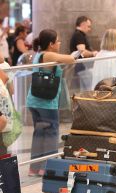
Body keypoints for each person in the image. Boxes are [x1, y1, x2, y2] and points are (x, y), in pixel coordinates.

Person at [26, 29, 75, 176]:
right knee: (51, 133)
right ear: (51, 44)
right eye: (58, 41)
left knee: (39, 134)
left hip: (34, 100)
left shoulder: (38, 55)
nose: (60, 43)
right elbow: (70, 59)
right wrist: (78, 54)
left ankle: (34, 168)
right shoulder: (48, 54)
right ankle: (47, 167)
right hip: (46, 103)